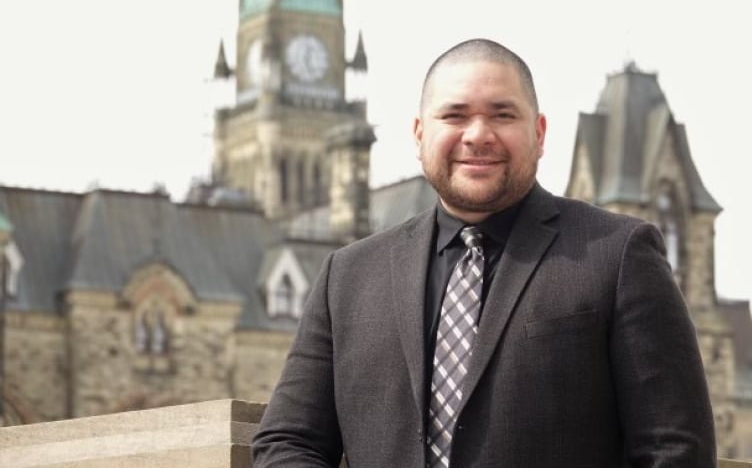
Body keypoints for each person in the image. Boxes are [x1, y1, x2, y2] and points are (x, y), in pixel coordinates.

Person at [252, 38, 716, 467]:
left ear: (539, 132)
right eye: (454, 116)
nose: (477, 134)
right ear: (418, 135)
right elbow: (289, 441)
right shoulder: (347, 277)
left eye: (502, 115)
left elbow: (672, 448)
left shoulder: (618, 256)